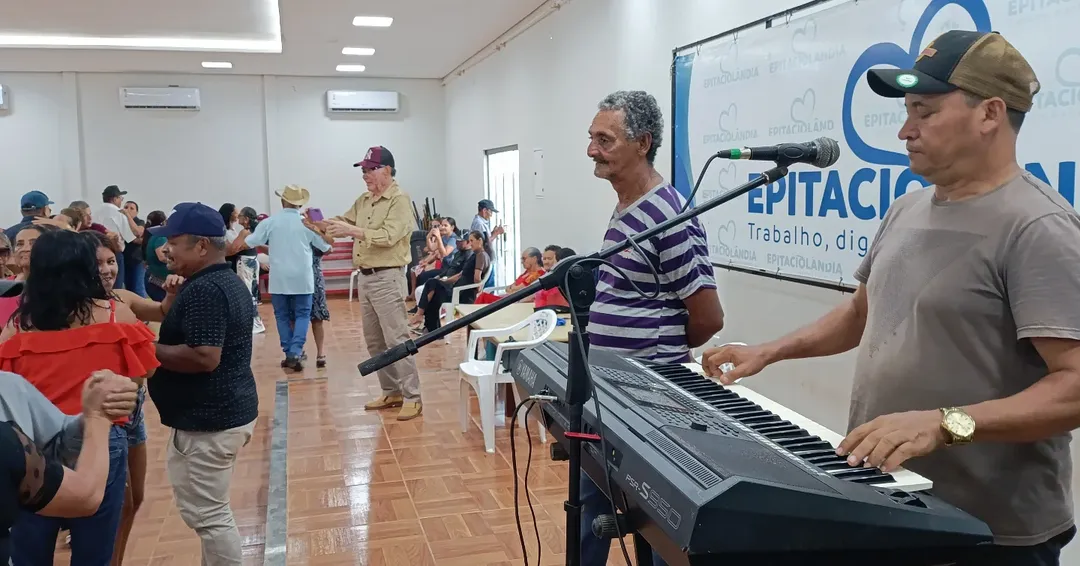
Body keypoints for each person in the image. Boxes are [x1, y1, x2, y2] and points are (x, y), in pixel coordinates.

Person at [703, 30, 1079, 563]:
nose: (905, 130)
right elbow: (862, 312)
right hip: (889, 502)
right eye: (906, 110)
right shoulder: (907, 209)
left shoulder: (1039, 228)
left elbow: (1074, 388)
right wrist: (770, 351)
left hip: (990, 533)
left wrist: (946, 424)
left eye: (924, 111)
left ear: (990, 113)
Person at [580, 90, 725, 566]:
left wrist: (652, 354)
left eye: (605, 139)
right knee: (593, 513)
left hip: (650, 403)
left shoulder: (669, 215)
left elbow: (707, 317)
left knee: (655, 534)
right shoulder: (627, 207)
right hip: (609, 394)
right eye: (591, 138)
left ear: (642, 143)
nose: (592, 150)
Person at [0, 229, 160, 566]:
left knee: (30, 547)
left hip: (34, 445)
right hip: (99, 438)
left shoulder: (17, 327)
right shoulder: (116, 316)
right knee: (94, 550)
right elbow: (142, 376)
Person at [148, 202, 258, 566]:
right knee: (210, 514)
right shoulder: (215, 281)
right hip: (221, 413)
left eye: (174, 243)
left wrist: (144, 348)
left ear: (200, 247)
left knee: (210, 517)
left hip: (210, 421)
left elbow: (204, 357)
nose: (167, 251)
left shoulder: (208, 290)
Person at [88, 231, 183, 566]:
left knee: (133, 499)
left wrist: (171, 293)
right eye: (97, 263)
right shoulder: (71, 310)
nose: (107, 269)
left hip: (133, 409)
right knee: (111, 501)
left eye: (111, 261)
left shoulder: (123, 299)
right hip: (99, 414)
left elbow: (160, 311)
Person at [0, 368, 139, 566]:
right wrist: (98, 417)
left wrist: (91, 416)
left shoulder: (9, 387)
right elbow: (86, 496)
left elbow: (55, 444)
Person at [323, 146, 423, 421]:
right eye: (364, 170)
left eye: (370, 170)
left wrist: (351, 231)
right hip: (367, 277)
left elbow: (389, 236)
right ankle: (391, 390)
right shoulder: (365, 200)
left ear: (387, 171)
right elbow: (345, 221)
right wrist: (321, 224)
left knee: (397, 338)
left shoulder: (399, 200)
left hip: (388, 277)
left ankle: (412, 396)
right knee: (375, 341)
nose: (365, 175)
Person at [245, 186, 332, 370]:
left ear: (282, 201)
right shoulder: (306, 224)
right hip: (303, 278)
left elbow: (251, 241)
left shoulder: (271, 222)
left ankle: (288, 351)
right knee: (302, 315)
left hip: (279, 278)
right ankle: (295, 351)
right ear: (300, 204)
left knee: (282, 316)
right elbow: (325, 247)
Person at [409, 230, 491, 332]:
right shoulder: (475, 255)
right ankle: (430, 327)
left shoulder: (481, 255)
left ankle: (423, 318)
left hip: (462, 293)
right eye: (469, 240)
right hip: (456, 288)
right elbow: (460, 275)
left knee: (432, 286)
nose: (470, 243)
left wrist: (478, 287)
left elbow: (477, 277)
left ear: (480, 241)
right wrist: (445, 281)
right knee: (432, 287)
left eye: (472, 240)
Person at [95, 186, 140, 290]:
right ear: (114, 199)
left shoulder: (95, 211)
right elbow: (131, 237)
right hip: (114, 252)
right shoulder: (119, 212)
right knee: (116, 287)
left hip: (96, 251)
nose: (121, 201)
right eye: (121, 198)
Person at [305, 211, 334, 369]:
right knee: (296, 317)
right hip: (301, 275)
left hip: (314, 275)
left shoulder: (319, 233)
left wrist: (317, 229)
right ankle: (297, 351)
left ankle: (320, 353)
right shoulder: (300, 230)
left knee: (317, 317)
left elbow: (329, 247)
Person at [472, 246, 544, 304]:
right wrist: (512, 288)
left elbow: (518, 288)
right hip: (509, 298)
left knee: (483, 297)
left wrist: (513, 288)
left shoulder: (537, 273)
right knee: (483, 297)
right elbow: (509, 288)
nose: (522, 262)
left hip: (514, 302)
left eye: (524, 259)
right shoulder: (527, 272)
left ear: (534, 259)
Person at [143, 210, 170, 301]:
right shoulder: (161, 237)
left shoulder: (155, 235)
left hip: (154, 278)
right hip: (157, 280)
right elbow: (162, 257)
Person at [122, 201, 147, 297]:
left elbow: (139, 234)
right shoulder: (120, 221)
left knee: (138, 289)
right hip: (124, 260)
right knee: (128, 289)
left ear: (137, 212)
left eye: (131, 208)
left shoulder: (139, 222)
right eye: (126, 207)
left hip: (136, 260)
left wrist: (126, 237)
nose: (127, 209)